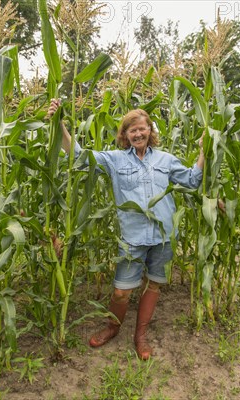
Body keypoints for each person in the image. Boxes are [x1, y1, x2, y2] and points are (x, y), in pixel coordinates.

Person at [47, 99, 205, 360]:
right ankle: (112, 327)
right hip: (133, 237)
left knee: (153, 285)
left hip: (164, 237)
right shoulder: (115, 160)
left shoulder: (166, 160)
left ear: (150, 131)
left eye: (142, 129)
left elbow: (192, 180)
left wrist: (205, 150)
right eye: (132, 130)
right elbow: (77, 155)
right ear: (125, 135)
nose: (138, 133)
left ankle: (140, 335)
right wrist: (59, 124)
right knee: (122, 291)